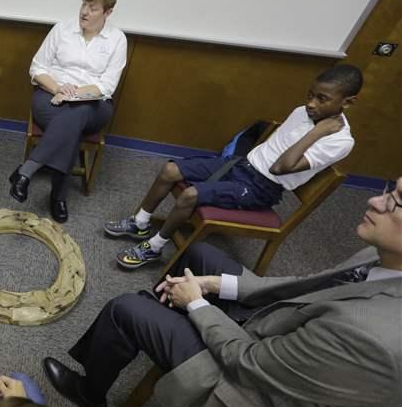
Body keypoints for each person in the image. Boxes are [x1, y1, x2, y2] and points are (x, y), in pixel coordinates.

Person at [43, 177, 402, 407]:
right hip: (285, 332)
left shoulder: (368, 334)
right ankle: (154, 323)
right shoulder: (384, 253)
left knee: (126, 308)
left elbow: (250, 362)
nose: (374, 200)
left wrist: (196, 305)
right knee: (202, 256)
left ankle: (91, 393)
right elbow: (304, 285)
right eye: (390, 189)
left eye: (396, 202)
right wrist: (215, 286)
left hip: (260, 402)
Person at [105, 64, 361, 268]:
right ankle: (140, 222)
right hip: (240, 165)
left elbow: (280, 168)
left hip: (262, 187)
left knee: (189, 195)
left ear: (347, 102)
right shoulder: (303, 111)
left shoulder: (340, 141)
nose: (311, 104)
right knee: (170, 170)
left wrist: (317, 132)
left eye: (322, 99)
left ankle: (155, 247)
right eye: (310, 95)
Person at [9, 0, 127, 223]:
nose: (85, 11)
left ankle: (26, 171)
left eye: (93, 8)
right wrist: (58, 88)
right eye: (84, 3)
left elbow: (106, 85)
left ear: (108, 12)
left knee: (78, 112)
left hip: (95, 105)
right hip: (49, 97)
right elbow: (37, 68)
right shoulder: (61, 29)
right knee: (72, 123)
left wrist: (74, 94)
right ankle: (58, 197)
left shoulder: (117, 40)